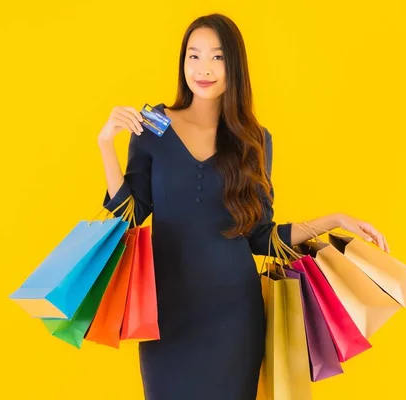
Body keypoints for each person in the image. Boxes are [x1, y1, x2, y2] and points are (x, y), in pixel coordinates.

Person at [97, 12, 390, 400]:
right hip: (166, 314)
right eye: (193, 56)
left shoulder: (254, 140)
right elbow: (128, 217)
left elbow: (260, 237)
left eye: (217, 57)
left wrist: (336, 219)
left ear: (234, 65)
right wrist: (105, 145)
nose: (203, 68)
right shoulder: (154, 126)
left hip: (234, 316)